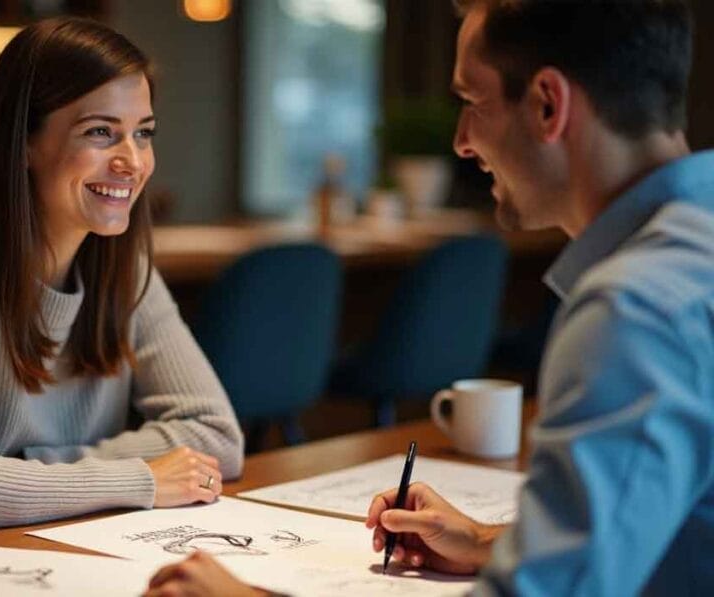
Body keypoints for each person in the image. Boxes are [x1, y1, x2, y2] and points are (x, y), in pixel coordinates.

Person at [147, 0, 714, 595]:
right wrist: (493, 543)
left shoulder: (638, 309)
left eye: (472, 103)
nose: (462, 142)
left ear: (548, 104)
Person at [0, 17, 244, 536]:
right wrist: (139, 477)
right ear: (24, 142)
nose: (132, 162)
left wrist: (27, 464)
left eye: (142, 134)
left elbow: (217, 438)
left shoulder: (123, 267)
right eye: (100, 132)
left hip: (41, 550)